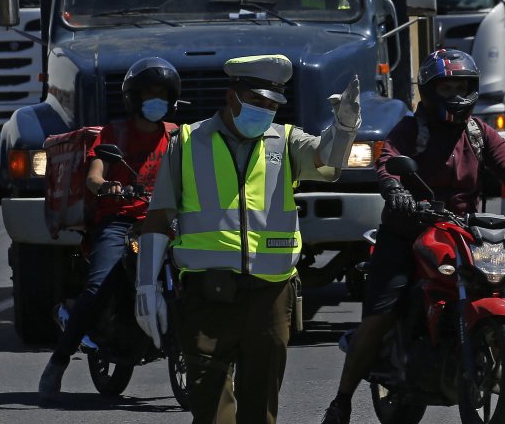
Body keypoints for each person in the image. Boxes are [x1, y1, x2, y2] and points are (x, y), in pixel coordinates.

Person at [320, 49, 505, 424]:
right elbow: (388, 160)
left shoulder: (477, 132)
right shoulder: (413, 129)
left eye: (462, 85)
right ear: (429, 91)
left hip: (462, 231)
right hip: (407, 232)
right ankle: (341, 402)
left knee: (494, 284)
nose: (455, 93)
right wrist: (396, 190)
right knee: (381, 313)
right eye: (446, 85)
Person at [135, 54, 360, 424]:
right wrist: (146, 286)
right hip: (208, 296)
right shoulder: (188, 142)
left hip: (271, 295)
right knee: (210, 409)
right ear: (232, 97)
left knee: (260, 408)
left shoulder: (286, 141)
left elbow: (327, 161)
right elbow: (159, 218)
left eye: (272, 105)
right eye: (257, 102)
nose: (265, 111)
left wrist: (345, 127)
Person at [38, 57, 182, 399]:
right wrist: (107, 187)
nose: (156, 100)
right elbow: (94, 175)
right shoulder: (112, 134)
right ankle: (58, 362)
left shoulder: (177, 135)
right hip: (120, 220)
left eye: (162, 93)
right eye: (149, 93)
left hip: (165, 218)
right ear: (134, 98)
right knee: (98, 284)